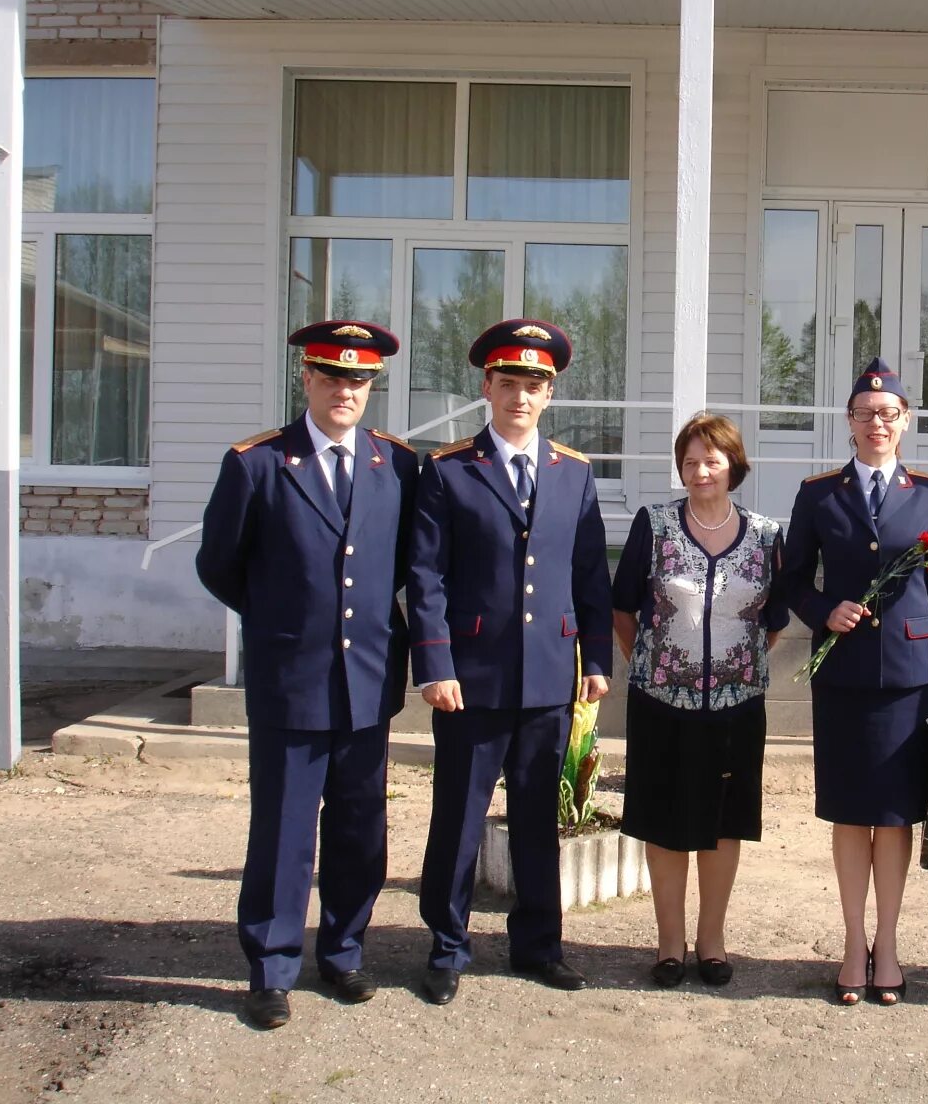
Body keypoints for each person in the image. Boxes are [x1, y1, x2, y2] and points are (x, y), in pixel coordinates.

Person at [195, 320, 418, 1030]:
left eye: (358, 380)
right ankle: (271, 966)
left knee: (360, 827)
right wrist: (280, 622)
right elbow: (219, 563)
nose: (345, 391)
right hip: (290, 678)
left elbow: (412, 565)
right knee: (286, 829)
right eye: (332, 376)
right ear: (307, 380)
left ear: (371, 388)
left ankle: (345, 951)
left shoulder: (398, 465)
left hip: (368, 678)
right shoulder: (258, 463)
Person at [407, 318, 613, 1006]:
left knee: (535, 820)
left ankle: (539, 945)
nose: (520, 396)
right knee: (459, 816)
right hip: (471, 678)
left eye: (534, 385)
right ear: (486, 387)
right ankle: (446, 946)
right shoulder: (448, 469)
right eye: (508, 384)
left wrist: (594, 659)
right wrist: (435, 663)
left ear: (549, 395)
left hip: (551, 675)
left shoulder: (574, 474)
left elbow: (589, 574)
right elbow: (426, 576)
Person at [780, 357, 928, 1007]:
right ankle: (852, 943)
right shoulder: (819, 494)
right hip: (845, 678)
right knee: (851, 814)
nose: (877, 423)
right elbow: (793, 577)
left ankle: (888, 945)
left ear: (905, 422)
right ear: (849, 423)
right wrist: (821, 609)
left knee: (895, 817)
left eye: (889, 414)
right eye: (865, 414)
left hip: (912, 682)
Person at [611, 413, 789, 989]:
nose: (700, 471)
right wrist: (652, 661)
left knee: (723, 823)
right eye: (689, 461)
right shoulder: (655, 524)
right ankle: (669, 944)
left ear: (733, 464)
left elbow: (775, 618)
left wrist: (739, 664)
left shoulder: (765, 534)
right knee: (664, 822)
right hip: (661, 704)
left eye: (711, 460)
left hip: (738, 707)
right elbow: (622, 607)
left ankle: (711, 942)